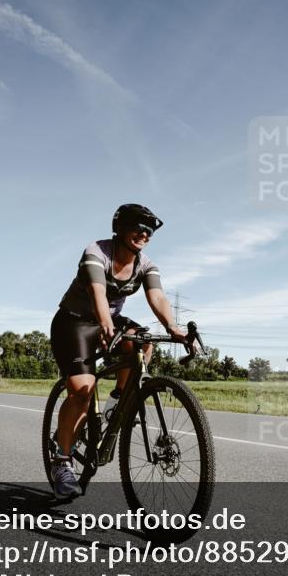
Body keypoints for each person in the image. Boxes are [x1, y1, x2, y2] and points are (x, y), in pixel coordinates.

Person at [49, 203, 185, 499]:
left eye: (149, 230)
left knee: (143, 342)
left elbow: (157, 296)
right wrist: (105, 324)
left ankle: (116, 403)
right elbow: (98, 292)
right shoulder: (97, 253)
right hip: (74, 323)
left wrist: (174, 327)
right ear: (120, 228)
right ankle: (62, 460)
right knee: (83, 390)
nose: (144, 234)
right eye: (138, 227)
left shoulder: (145, 264)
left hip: (108, 321)